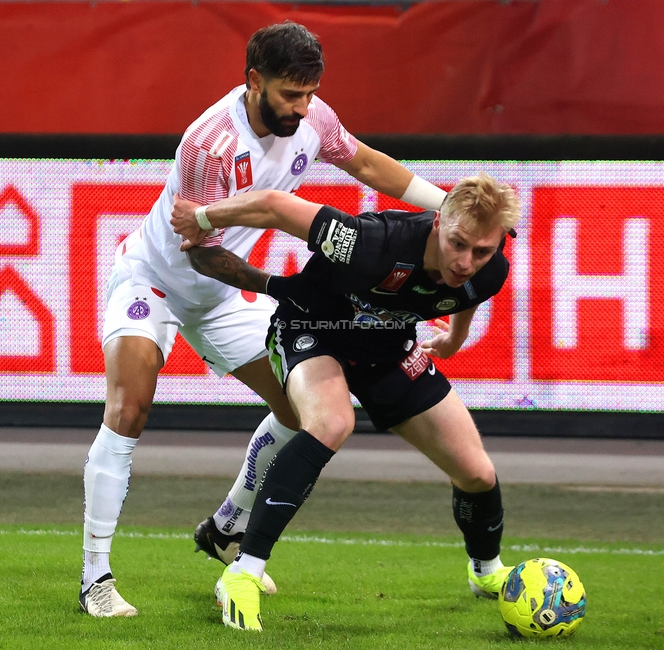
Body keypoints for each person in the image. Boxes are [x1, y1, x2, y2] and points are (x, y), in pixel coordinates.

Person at [78, 20, 447, 617]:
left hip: (223, 294)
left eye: (309, 93)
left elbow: (369, 165)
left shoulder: (314, 117)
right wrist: (280, 288)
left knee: (306, 413)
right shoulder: (210, 143)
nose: (302, 108)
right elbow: (199, 246)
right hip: (158, 280)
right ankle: (95, 576)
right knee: (129, 410)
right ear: (253, 81)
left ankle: (226, 527)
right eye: (289, 95)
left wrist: (445, 204)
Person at [170, 172, 519, 631]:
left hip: (388, 347)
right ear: (438, 223)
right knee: (332, 422)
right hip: (311, 331)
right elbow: (275, 205)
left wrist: (455, 337)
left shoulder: (490, 269)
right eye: (459, 244)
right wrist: (200, 216)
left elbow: (466, 293)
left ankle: (487, 571)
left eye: (482, 251)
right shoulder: (372, 242)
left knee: (476, 473)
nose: (467, 261)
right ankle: (243, 572)